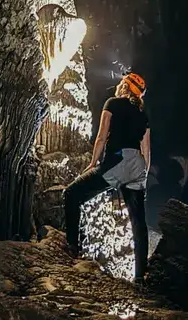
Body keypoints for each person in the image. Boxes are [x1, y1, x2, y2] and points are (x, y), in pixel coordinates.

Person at [63, 71, 151, 280]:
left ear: (125, 86)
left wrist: (93, 163)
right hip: (137, 165)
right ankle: (140, 276)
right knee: (138, 222)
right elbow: (146, 149)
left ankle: (72, 247)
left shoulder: (112, 103)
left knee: (72, 194)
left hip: (118, 160)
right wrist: (143, 175)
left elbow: (102, 136)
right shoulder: (142, 114)